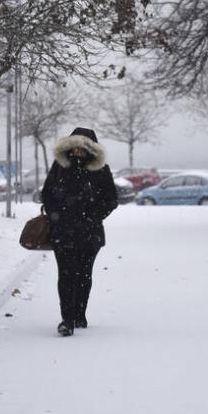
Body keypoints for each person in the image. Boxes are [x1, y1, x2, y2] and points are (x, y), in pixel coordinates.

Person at [41, 127, 119, 337]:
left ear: (91, 150)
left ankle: (79, 314)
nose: (78, 152)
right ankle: (67, 320)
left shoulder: (101, 170)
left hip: (89, 233)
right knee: (66, 275)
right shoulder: (60, 167)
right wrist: (56, 215)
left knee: (84, 275)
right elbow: (47, 194)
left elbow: (112, 199)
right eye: (74, 148)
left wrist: (93, 216)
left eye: (82, 149)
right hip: (63, 232)